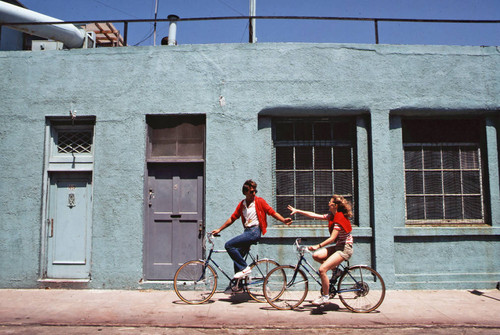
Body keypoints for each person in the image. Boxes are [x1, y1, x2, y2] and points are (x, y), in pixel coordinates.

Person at [212, 179, 292, 284]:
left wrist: (283, 220)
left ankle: (245, 268)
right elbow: (232, 218)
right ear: (245, 192)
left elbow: (271, 212)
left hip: (254, 231)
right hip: (247, 232)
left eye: (255, 191)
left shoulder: (259, 201)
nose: (254, 193)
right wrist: (219, 229)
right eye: (251, 191)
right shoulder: (242, 204)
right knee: (238, 256)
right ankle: (238, 285)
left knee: (229, 245)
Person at [288, 195, 353, 306]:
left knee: (322, 270)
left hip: (345, 249)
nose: (328, 203)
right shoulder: (332, 216)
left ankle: (325, 297)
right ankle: (336, 271)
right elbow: (314, 215)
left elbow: (332, 238)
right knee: (316, 256)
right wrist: (297, 210)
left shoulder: (339, 219)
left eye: (330, 202)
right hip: (339, 246)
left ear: (335, 205)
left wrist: (317, 246)